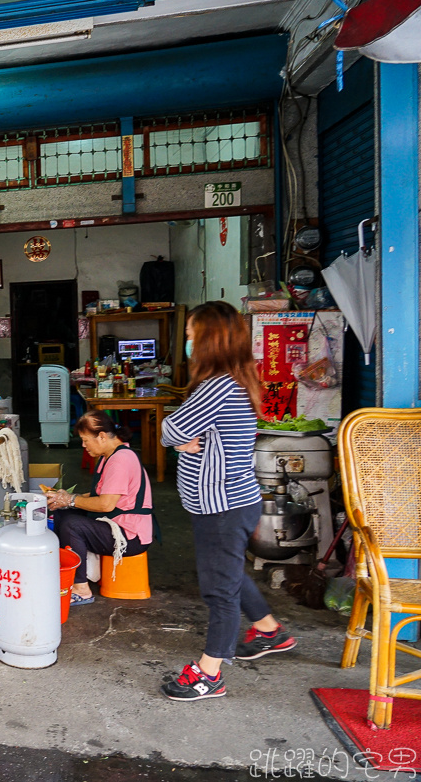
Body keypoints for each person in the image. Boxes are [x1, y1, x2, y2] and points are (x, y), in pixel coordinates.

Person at [159, 300, 295, 702]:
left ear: (209, 339)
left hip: (222, 504)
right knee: (230, 573)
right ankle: (271, 631)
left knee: (219, 590)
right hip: (231, 500)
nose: (186, 341)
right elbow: (181, 431)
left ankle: (209, 672)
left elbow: (171, 428)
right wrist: (184, 439)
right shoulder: (235, 378)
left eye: (190, 335)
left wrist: (180, 440)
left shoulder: (217, 385)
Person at [48, 410, 154, 606]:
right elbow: (99, 496)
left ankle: (82, 589)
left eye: (85, 440)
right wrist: (65, 499)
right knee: (64, 513)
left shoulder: (121, 460)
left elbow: (105, 503)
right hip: (116, 523)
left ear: (102, 436)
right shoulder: (109, 456)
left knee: (72, 525)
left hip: (130, 536)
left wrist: (70, 499)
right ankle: (72, 574)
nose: (83, 445)